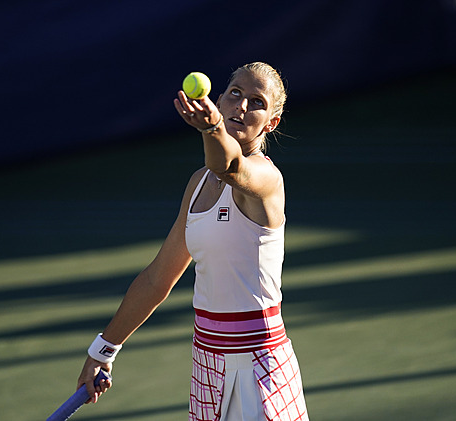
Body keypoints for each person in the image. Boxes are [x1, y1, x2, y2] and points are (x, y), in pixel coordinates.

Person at [77, 62, 309, 421]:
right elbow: (158, 278)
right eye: (235, 93)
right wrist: (103, 349)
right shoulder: (198, 184)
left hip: (259, 366)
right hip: (207, 364)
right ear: (219, 98)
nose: (242, 106)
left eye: (256, 102)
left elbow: (230, 167)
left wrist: (213, 127)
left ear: (271, 123)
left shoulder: (265, 179)